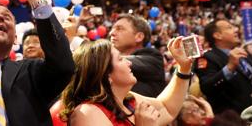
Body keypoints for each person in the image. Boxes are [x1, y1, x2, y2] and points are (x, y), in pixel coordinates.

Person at [60, 38, 192, 125]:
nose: (129, 63)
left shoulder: (129, 100)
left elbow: (167, 109)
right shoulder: (87, 112)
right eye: (120, 59)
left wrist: (183, 68)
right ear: (105, 75)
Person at [195, 19, 252, 114]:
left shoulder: (242, 52)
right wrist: (229, 67)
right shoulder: (207, 57)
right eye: (229, 27)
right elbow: (207, 88)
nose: (236, 29)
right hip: (234, 117)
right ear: (217, 35)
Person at [110, 14, 166, 97]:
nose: (111, 33)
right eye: (112, 29)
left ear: (139, 37)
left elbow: (113, 61)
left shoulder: (153, 58)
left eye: (119, 29)